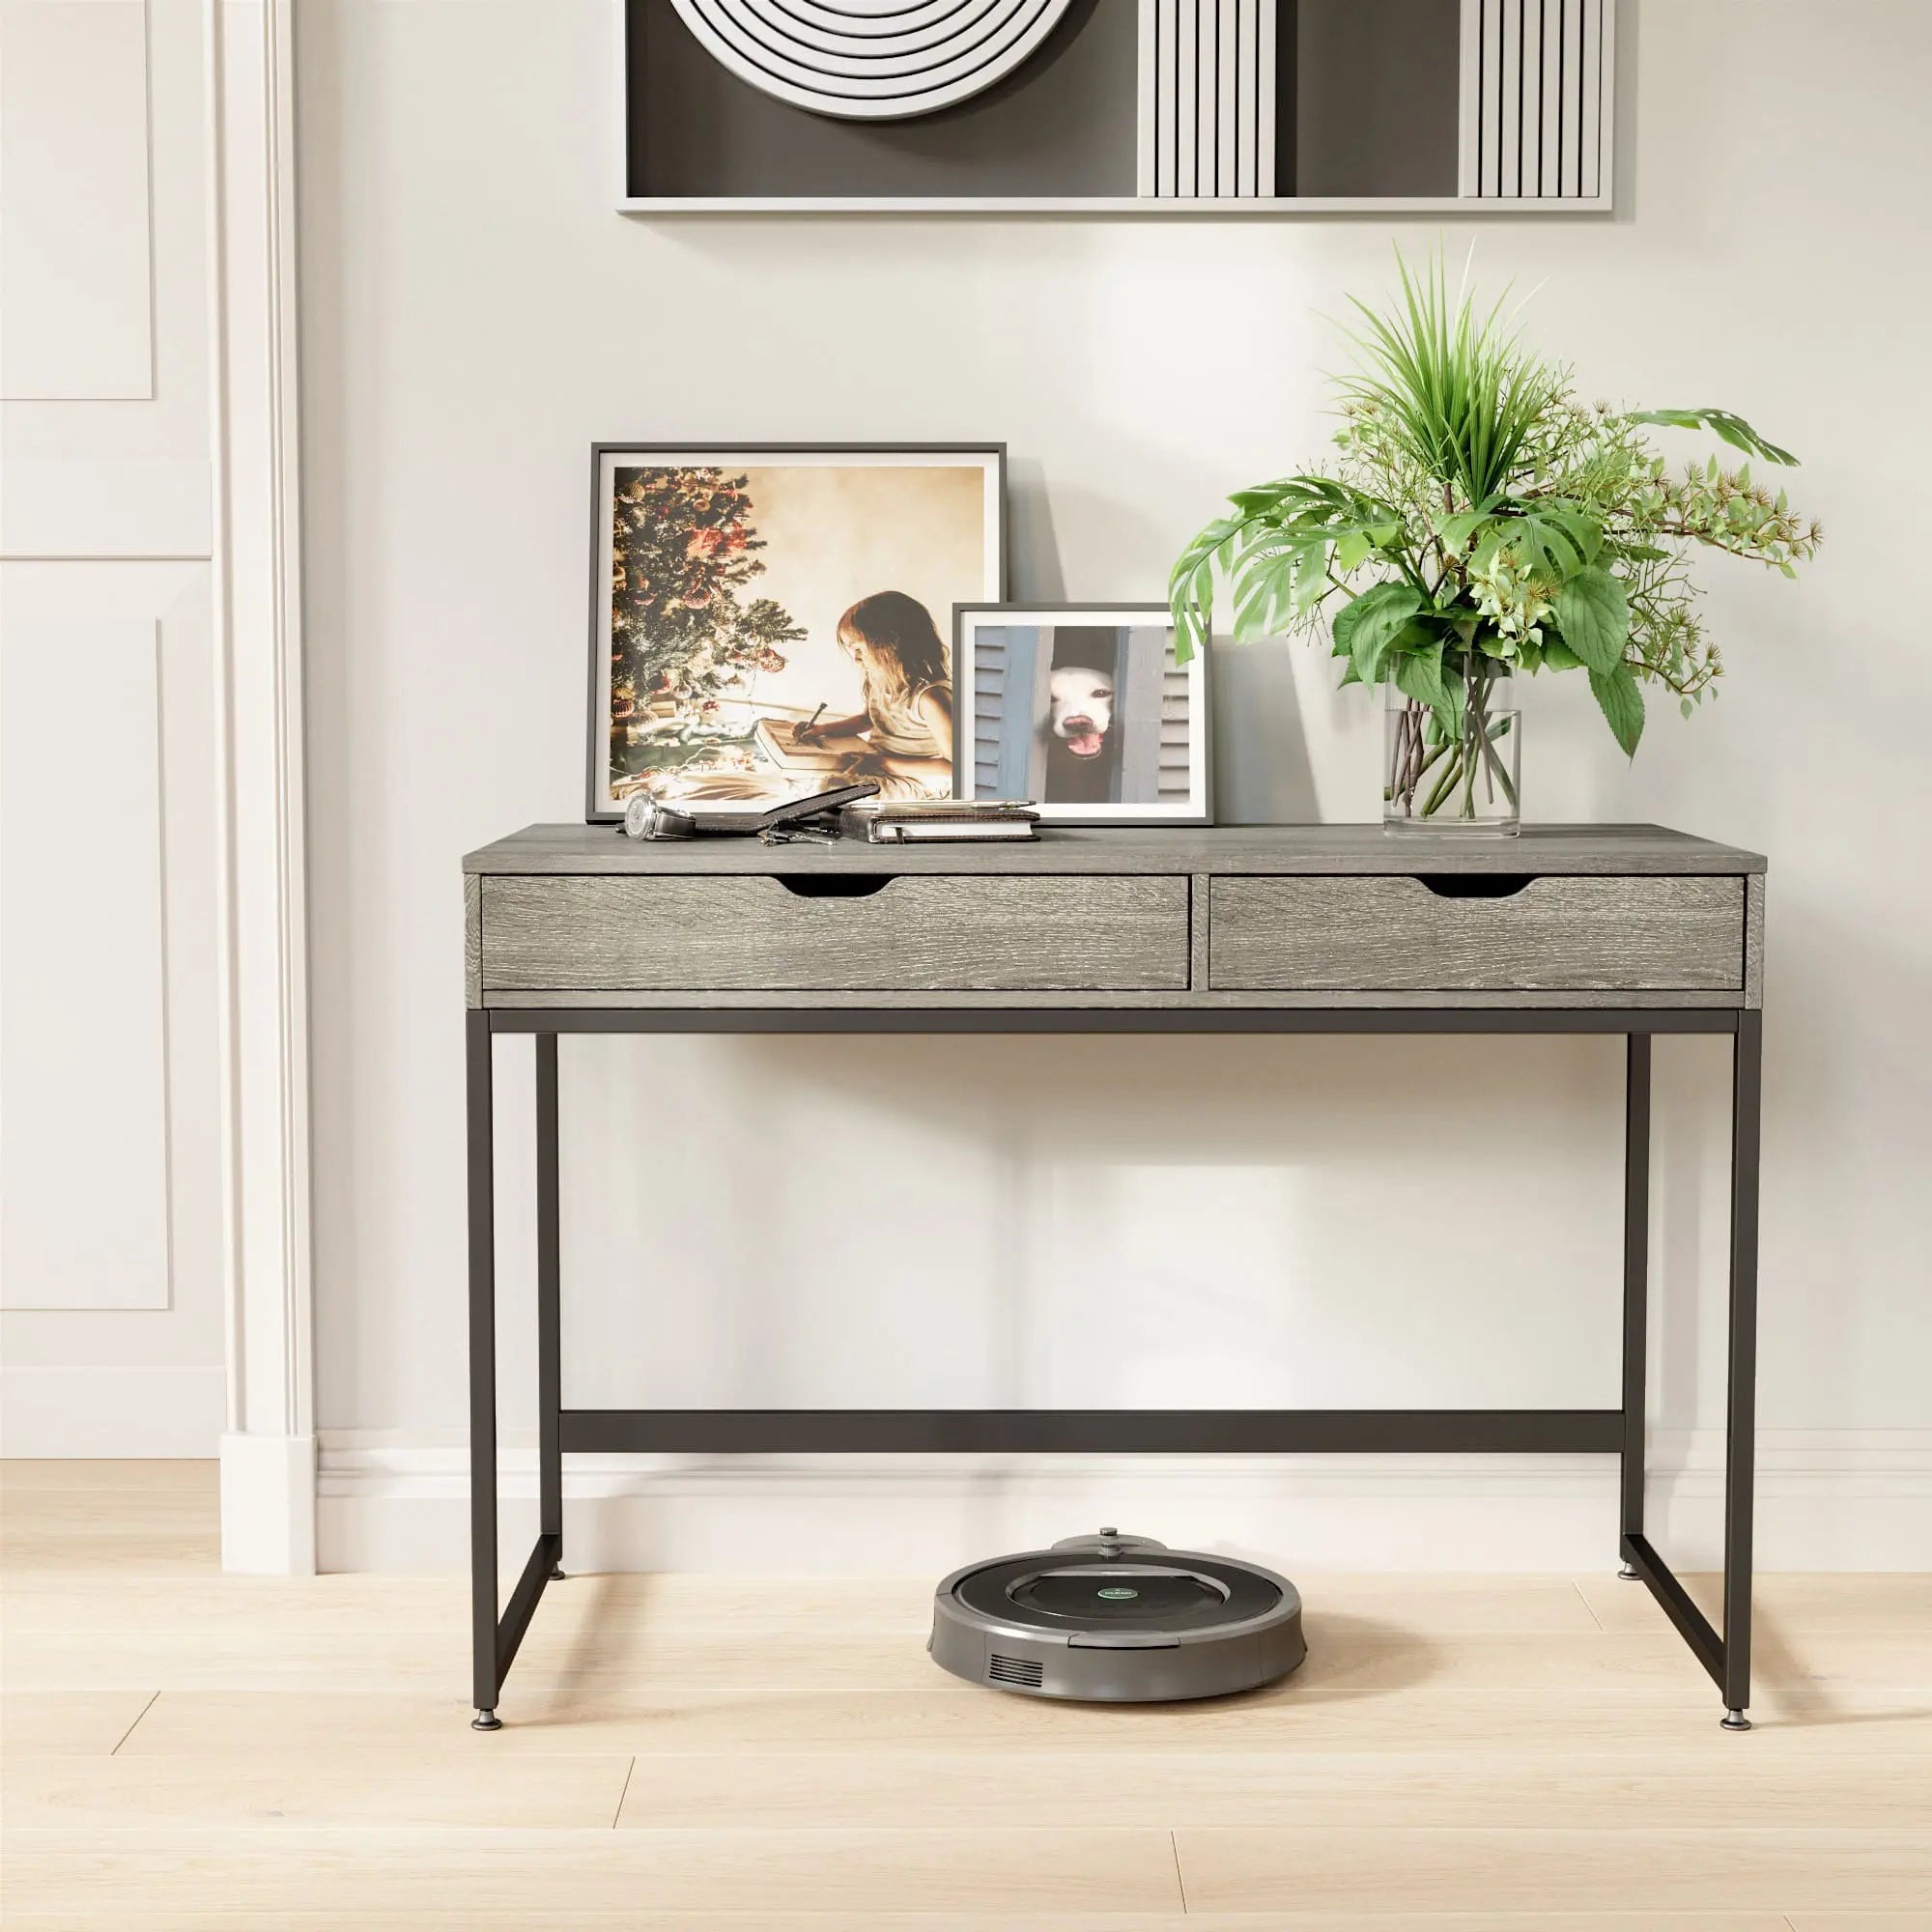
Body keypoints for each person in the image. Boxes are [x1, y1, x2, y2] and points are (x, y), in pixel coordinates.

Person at [792, 590, 953, 795]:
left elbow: (955, 769)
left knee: (830, 792)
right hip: (876, 763)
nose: (855, 658)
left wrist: (883, 762)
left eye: (858, 648)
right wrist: (823, 729)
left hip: (916, 778)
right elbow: (867, 719)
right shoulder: (879, 679)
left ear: (890, 645)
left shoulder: (932, 698)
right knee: (813, 781)